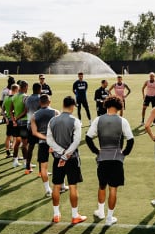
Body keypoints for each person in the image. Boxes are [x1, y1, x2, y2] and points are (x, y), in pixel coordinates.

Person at [85, 96, 134, 226]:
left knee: (102, 185)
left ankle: (101, 212)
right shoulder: (123, 121)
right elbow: (130, 140)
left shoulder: (98, 120)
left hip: (102, 158)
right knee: (113, 189)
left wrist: (97, 151)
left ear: (106, 105)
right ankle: (109, 218)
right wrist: (124, 153)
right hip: (117, 158)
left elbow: (88, 138)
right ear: (118, 107)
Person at [46, 96, 86, 224]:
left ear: (63, 104)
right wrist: (66, 154)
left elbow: (49, 140)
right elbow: (76, 141)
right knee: (73, 186)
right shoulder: (75, 121)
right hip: (71, 158)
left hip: (57, 158)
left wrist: (61, 152)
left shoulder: (52, 120)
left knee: (56, 186)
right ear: (73, 106)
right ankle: (75, 216)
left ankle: (56, 214)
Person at [30, 94, 58, 196]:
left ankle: (47, 189)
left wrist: (45, 138)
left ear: (40, 103)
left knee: (43, 167)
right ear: (49, 102)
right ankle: (62, 185)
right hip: (55, 143)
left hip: (42, 143)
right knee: (59, 164)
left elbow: (34, 132)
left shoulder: (34, 115)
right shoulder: (55, 112)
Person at [6, 81, 29, 168]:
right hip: (23, 122)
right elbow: (25, 111)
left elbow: (10, 110)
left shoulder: (14, 96)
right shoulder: (25, 97)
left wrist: (14, 120)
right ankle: (26, 163)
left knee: (17, 142)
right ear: (25, 87)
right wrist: (17, 118)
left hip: (16, 123)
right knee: (24, 143)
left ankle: (15, 161)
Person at [23, 83, 42, 175]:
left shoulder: (27, 98)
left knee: (30, 146)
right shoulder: (40, 98)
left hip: (29, 125)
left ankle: (28, 167)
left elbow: (26, 110)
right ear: (39, 89)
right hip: (39, 126)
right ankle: (41, 171)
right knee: (41, 148)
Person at [2, 83, 19, 158]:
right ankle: (15, 153)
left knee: (8, 136)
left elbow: (2, 111)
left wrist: (6, 118)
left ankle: (8, 152)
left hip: (8, 120)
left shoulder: (6, 98)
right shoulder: (16, 98)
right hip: (14, 120)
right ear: (16, 90)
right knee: (16, 137)